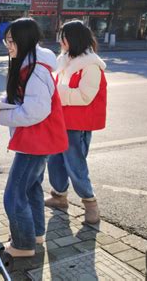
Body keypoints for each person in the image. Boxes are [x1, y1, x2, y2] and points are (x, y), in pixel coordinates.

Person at [0, 18, 68, 257]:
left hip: (35, 142)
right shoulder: (32, 64)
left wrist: (5, 112)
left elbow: (36, 110)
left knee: (13, 196)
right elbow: (26, 99)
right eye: (7, 41)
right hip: (38, 141)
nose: (8, 46)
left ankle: (23, 245)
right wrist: (5, 103)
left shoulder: (34, 70)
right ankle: (34, 234)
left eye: (12, 41)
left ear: (25, 41)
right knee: (32, 188)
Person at [45, 20, 107, 225]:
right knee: (54, 162)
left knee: (75, 165)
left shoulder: (91, 65)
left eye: (63, 37)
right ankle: (59, 196)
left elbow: (85, 97)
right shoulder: (64, 60)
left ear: (74, 39)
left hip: (77, 124)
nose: (60, 41)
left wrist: (57, 92)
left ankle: (91, 205)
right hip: (59, 121)